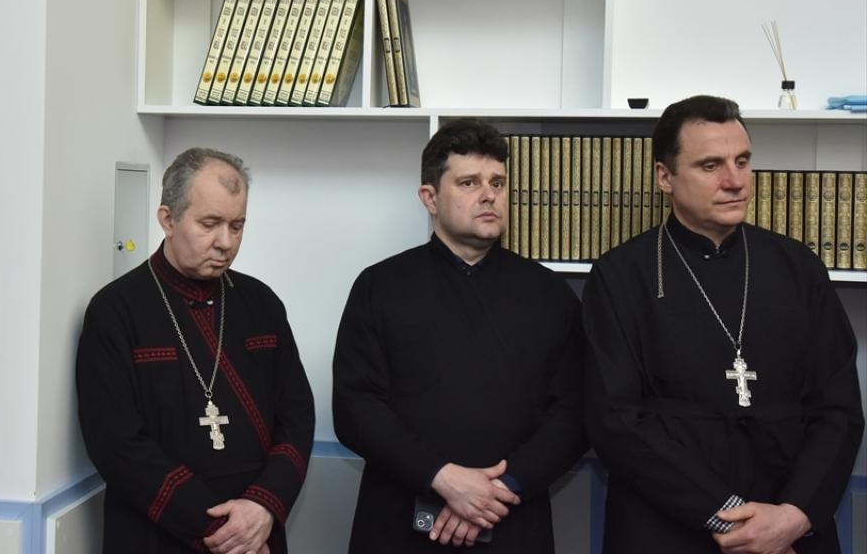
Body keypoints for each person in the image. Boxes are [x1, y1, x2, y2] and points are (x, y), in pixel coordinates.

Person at [582, 95, 864, 553]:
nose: (735, 181)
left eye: (743, 161)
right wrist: (730, 517)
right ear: (665, 177)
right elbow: (615, 421)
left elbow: (839, 410)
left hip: (790, 529)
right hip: (666, 525)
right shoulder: (621, 275)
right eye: (710, 165)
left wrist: (793, 515)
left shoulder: (798, 266)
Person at [332, 118, 587, 553]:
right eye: (469, 183)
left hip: (512, 520)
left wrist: (497, 491)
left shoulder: (550, 294)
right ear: (429, 198)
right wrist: (443, 478)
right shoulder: (380, 286)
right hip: (398, 522)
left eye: (497, 183)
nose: (489, 195)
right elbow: (356, 407)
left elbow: (575, 413)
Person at [77, 147, 315, 554]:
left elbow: (297, 417)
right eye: (210, 224)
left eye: (237, 226)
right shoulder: (115, 310)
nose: (226, 242)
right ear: (168, 219)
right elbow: (116, 445)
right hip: (159, 535)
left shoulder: (261, 304)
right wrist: (224, 532)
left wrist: (263, 506)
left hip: (257, 530)